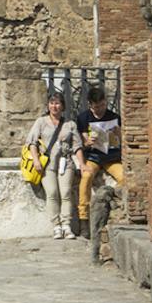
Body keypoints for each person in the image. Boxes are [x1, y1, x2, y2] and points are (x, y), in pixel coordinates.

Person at [25, 92, 81, 239]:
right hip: (47, 164)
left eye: (57, 103)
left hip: (65, 162)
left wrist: (82, 164)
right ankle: (56, 225)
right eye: (51, 103)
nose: (54, 106)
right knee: (52, 193)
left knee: (66, 193)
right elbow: (31, 142)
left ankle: (66, 225)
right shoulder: (41, 122)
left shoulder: (70, 124)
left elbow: (77, 146)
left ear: (63, 106)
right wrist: (36, 160)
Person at [75, 86, 125, 231]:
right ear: (90, 104)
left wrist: (119, 133)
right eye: (97, 106)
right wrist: (87, 142)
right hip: (93, 156)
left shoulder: (114, 117)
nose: (101, 109)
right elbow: (81, 143)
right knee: (86, 177)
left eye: (103, 105)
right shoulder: (83, 118)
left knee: (124, 177)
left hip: (111, 157)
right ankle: (83, 217)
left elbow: (123, 141)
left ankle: (113, 205)